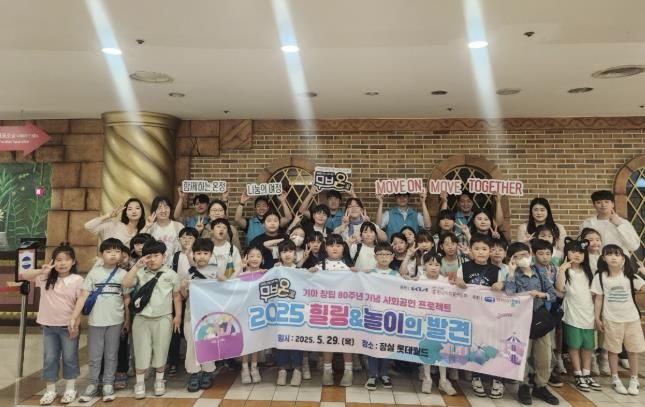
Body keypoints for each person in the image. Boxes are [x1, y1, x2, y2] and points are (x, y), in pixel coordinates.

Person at [20, 244, 83, 405]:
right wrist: (42, 270)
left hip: (68, 326)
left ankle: (70, 388)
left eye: (67, 260)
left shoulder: (77, 280)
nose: (62, 263)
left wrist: (76, 324)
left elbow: (80, 304)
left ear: (73, 261)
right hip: (48, 327)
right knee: (50, 358)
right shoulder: (45, 277)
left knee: (69, 357)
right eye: (59, 260)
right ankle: (50, 390)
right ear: (53, 261)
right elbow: (24, 274)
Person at [69, 238, 130, 403]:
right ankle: (93, 384)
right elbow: (83, 296)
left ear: (121, 254)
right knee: (95, 355)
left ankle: (108, 384)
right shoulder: (94, 273)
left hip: (115, 321)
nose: (113, 255)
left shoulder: (123, 274)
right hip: (96, 321)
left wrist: (127, 319)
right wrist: (74, 317)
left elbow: (126, 298)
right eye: (109, 251)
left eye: (117, 251)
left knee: (111, 354)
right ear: (101, 254)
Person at [122, 240, 183, 399]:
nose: (153, 259)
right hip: (142, 319)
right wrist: (136, 267)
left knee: (161, 350)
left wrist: (177, 316)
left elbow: (176, 296)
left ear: (164, 256)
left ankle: (159, 381)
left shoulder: (171, 274)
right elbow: (126, 283)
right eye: (149, 256)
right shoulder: (140, 272)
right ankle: (139, 383)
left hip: (164, 318)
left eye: (156, 255)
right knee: (141, 350)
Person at [505, 242, 560, 405]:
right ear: (512, 259)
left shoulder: (539, 271)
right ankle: (523, 385)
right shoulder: (513, 275)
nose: (522, 258)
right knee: (523, 355)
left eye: (524, 254)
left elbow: (553, 295)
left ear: (530, 254)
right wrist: (511, 273)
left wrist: (541, 295)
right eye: (517, 257)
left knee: (544, 356)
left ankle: (540, 385)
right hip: (521, 322)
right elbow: (509, 294)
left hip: (540, 320)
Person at [592, 244, 645, 396]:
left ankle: (634, 379)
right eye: (609, 254)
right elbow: (598, 299)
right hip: (611, 319)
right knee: (613, 350)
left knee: (633, 350)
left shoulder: (629, 275)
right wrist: (597, 318)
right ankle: (615, 378)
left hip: (631, 319)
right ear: (603, 258)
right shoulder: (600, 276)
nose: (613, 257)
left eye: (617, 254)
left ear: (623, 258)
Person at [456, 235, 505, 399]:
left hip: (491, 316)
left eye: (484, 249)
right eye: (476, 249)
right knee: (475, 346)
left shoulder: (497, 271)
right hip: (470, 315)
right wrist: (458, 282)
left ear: (490, 251)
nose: (480, 252)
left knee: (493, 345)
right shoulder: (464, 267)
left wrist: (501, 284)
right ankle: (476, 377)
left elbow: (505, 290)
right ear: (470, 250)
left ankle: (497, 379)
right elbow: (456, 284)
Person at [308, 234, 355, 386]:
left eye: (338, 245)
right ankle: (327, 370)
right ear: (325, 248)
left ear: (344, 248)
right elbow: (308, 284)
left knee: (346, 340)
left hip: (344, 311)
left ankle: (348, 371)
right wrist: (309, 273)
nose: (335, 248)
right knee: (328, 340)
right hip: (326, 310)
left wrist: (358, 273)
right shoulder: (319, 265)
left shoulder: (349, 266)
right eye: (331, 245)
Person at [555, 239, 600, 392]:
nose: (577, 255)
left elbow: (595, 295)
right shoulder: (566, 271)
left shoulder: (589, 272)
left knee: (588, 346)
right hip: (572, 315)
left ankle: (587, 373)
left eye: (580, 252)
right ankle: (578, 374)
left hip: (588, 314)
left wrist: (597, 315)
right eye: (573, 251)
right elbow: (559, 288)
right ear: (566, 253)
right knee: (574, 346)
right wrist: (562, 270)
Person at [417, 251, 462, 395]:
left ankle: (443, 380)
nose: (433, 267)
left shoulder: (445, 281)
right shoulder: (419, 280)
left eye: (437, 265)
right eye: (430, 264)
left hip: (442, 322)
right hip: (425, 320)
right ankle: (427, 378)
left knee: (442, 349)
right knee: (426, 349)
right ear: (424, 265)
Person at [179, 238, 218, 392]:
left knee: (208, 343)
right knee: (192, 344)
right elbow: (184, 296)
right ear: (194, 255)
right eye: (198, 253)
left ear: (211, 254)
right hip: (191, 314)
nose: (202, 256)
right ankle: (194, 374)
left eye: (205, 253)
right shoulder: (189, 273)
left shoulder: (216, 271)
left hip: (210, 316)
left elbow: (227, 286)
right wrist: (183, 287)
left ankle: (208, 372)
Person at [364, 242, 400, 391]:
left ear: (392, 257)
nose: (384, 257)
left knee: (386, 345)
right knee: (373, 344)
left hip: (390, 316)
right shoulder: (368, 274)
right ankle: (373, 374)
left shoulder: (396, 275)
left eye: (387, 254)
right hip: (373, 315)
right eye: (381, 254)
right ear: (375, 257)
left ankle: (384, 373)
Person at [274, 240, 306, 386]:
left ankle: (297, 370)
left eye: (290, 251)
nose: (287, 254)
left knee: (296, 340)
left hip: (296, 313)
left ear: (295, 254)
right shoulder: (275, 270)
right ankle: (282, 370)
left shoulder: (300, 271)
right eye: (284, 251)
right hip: (280, 313)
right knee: (281, 340)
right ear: (279, 254)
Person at [580, 190, 640, 256]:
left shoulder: (624, 223)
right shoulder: (587, 223)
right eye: (598, 202)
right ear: (594, 205)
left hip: (619, 260)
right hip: (595, 261)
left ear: (613, 204)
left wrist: (619, 225)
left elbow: (634, 246)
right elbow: (581, 246)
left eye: (606, 202)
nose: (603, 205)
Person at [239, 245, 266, 384]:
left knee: (255, 340)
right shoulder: (241, 274)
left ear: (262, 259)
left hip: (259, 313)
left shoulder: (265, 274)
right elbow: (230, 283)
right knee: (245, 341)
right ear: (246, 258)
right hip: (243, 312)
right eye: (251, 256)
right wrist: (241, 269)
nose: (255, 259)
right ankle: (244, 368)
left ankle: (254, 368)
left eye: (258, 256)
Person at [142, 196, 184, 266]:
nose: (163, 210)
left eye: (166, 207)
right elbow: (138, 243)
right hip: (154, 265)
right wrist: (146, 227)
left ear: (170, 209)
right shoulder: (150, 227)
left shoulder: (178, 226)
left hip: (176, 266)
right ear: (154, 211)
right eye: (159, 208)